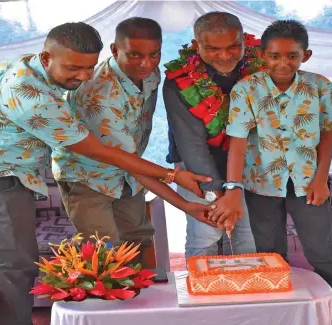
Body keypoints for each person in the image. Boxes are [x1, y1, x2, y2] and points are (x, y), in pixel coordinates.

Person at [0, 22, 211, 325]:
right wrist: (173, 177)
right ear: (47, 58)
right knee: (16, 264)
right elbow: (99, 151)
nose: (85, 77)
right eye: (75, 68)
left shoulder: (26, 66)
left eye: (89, 67)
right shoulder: (33, 95)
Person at [209, 20, 332, 325]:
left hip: (308, 184)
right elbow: (237, 143)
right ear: (263, 55)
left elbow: (327, 134)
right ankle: (281, 315)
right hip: (260, 186)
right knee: (271, 255)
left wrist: (320, 179)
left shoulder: (320, 87)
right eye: (275, 55)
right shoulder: (246, 90)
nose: (283, 63)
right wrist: (234, 187)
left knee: (323, 254)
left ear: (306, 55)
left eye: (292, 55)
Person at [52, 18, 214, 267]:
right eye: (135, 55)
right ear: (115, 50)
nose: (146, 64)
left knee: (137, 241)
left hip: (128, 174)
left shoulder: (150, 73)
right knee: (103, 255)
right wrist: (182, 200)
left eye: (154, 54)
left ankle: (141, 302)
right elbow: (126, 162)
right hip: (88, 178)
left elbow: (130, 163)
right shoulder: (99, 95)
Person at [163, 12, 255, 258]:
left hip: (246, 161)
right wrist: (216, 194)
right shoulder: (178, 81)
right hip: (197, 167)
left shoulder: (259, 68)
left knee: (246, 235)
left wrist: (234, 191)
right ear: (196, 45)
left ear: (244, 40)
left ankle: (250, 291)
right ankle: (202, 291)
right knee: (207, 232)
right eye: (214, 49)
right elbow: (191, 144)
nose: (225, 56)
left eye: (234, 46)